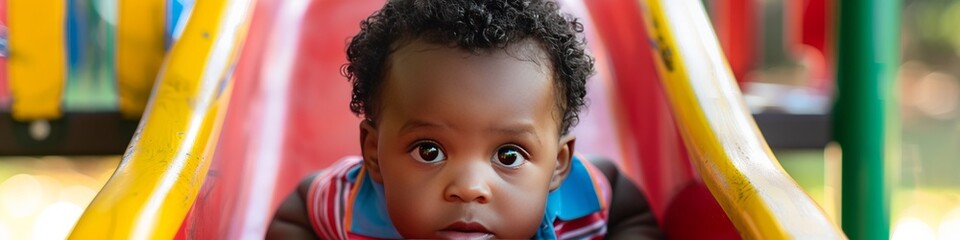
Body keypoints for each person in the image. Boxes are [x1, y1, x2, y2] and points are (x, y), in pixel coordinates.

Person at [267, 0, 661, 239]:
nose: (470, 188)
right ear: (373, 153)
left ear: (559, 165)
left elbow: (628, 209)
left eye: (508, 155)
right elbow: (297, 212)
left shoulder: (580, 207)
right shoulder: (351, 205)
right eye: (429, 150)